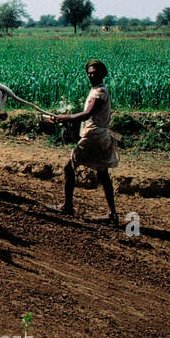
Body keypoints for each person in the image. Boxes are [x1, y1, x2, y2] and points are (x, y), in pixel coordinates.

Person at [46, 59, 119, 222]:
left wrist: (66, 117)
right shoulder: (98, 89)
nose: (91, 75)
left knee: (68, 167)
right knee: (103, 173)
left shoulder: (99, 92)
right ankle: (112, 214)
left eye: (95, 72)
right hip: (100, 136)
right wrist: (66, 119)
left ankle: (67, 206)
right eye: (89, 72)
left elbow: (87, 114)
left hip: (93, 136)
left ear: (102, 74)